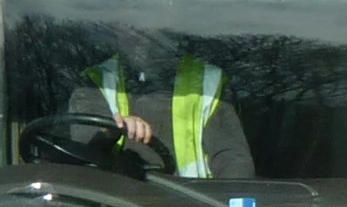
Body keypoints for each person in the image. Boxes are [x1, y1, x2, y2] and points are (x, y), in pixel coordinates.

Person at [66, 28, 255, 178]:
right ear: (115, 30)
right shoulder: (94, 83)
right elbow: (79, 162)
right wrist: (109, 133)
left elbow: (233, 164)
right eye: (127, 22)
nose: (137, 32)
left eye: (146, 23)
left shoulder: (209, 82)